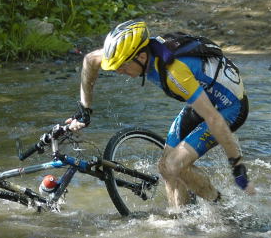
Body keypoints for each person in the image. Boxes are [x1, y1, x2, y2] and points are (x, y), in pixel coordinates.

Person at [65, 20, 255, 210]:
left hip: (229, 108)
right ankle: (180, 220)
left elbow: (214, 119)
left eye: (122, 67)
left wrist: (237, 167)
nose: (119, 72)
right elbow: (90, 60)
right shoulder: (134, 56)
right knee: (166, 168)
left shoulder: (174, 72)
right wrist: (84, 111)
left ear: (140, 56)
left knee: (174, 164)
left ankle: (223, 209)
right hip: (201, 100)